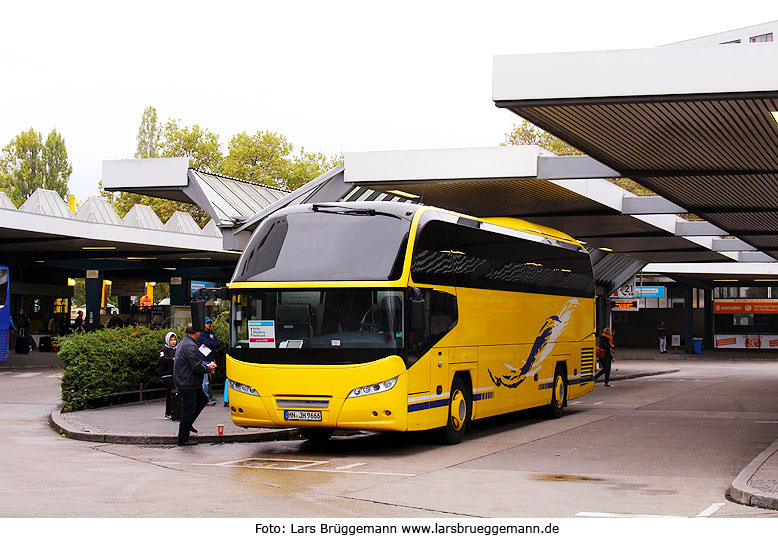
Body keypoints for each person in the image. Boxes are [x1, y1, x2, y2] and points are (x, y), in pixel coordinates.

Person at [174, 323, 215, 446]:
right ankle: (183, 438)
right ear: (196, 333)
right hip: (188, 383)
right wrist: (208, 368)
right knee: (188, 410)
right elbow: (196, 366)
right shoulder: (190, 346)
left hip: (187, 381)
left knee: (202, 399)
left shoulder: (185, 342)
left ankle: (189, 424)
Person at [198, 316, 221, 406]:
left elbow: (217, 344)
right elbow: (209, 342)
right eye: (207, 323)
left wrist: (210, 345)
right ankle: (205, 398)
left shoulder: (211, 333)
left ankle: (209, 396)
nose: (209, 325)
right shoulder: (201, 333)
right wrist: (211, 344)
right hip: (203, 358)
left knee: (209, 379)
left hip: (210, 358)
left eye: (210, 323)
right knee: (205, 380)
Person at [158, 332, 178, 419]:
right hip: (167, 374)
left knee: (172, 392)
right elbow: (161, 359)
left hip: (175, 374)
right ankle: (169, 411)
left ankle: (173, 411)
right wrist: (171, 359)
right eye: (171, 340)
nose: (173, 342)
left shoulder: (177, 349)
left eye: (174, 340)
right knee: (171, 391)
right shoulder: (164, 349)